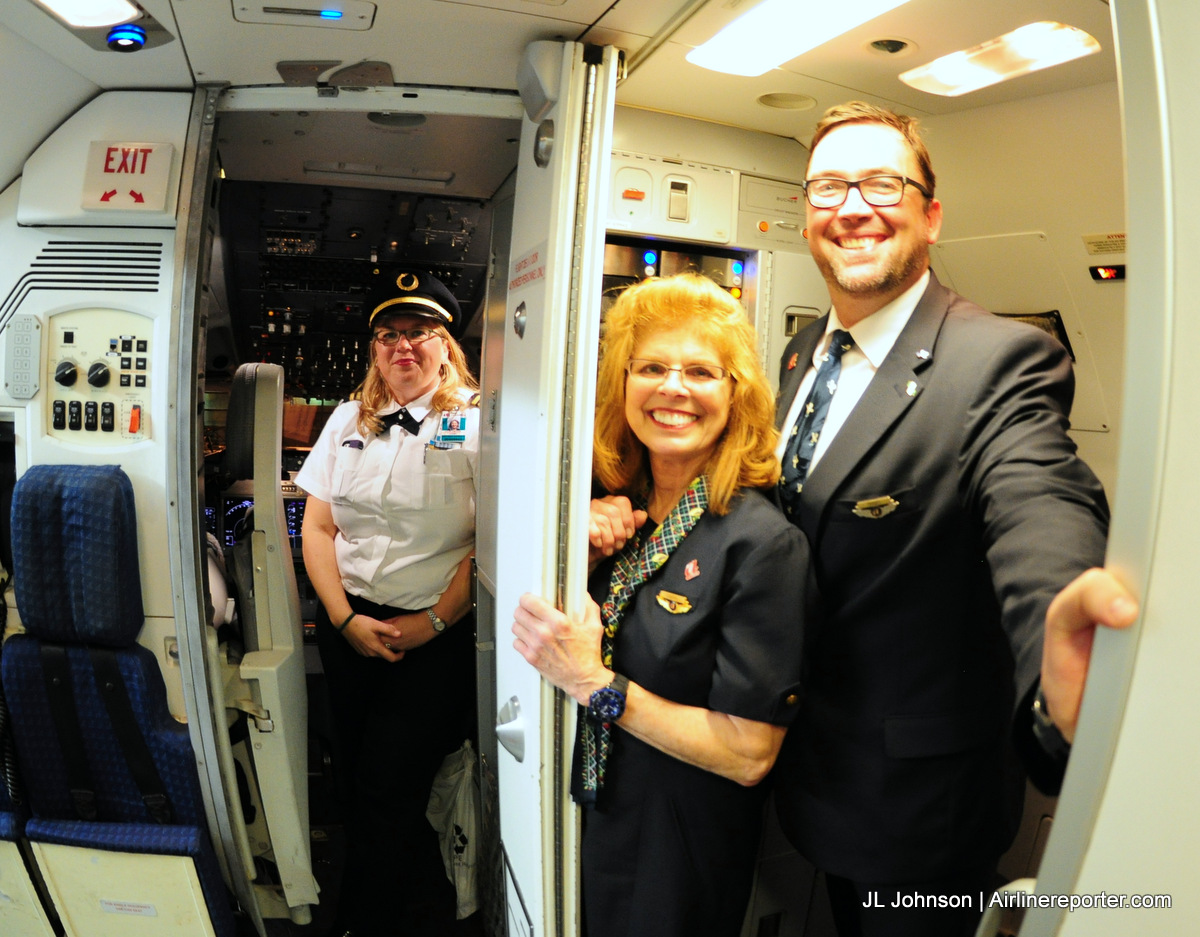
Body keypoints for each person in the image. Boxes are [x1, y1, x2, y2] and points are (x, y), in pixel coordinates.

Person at [765, 100, 1118, 937]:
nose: (853, 206)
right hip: (807, 762)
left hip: (919, 804)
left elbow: (1037, 496)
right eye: (828, 186)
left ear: (931, 213)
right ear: (807, 214)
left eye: (883, 183)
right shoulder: (800, 352)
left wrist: (1060, 634)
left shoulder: (996, 358)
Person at [511, 274, 809, 937]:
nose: (672, 387)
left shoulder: (761, 543)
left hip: (677, 844)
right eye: (651, 367)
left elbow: (748, 752)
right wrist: (578, 559)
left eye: (700, 370)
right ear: (623, 384)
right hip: (592, 809)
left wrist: (592, 682)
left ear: (736, 395)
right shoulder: (619, 511)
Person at [295, 268, 479, 937]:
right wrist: (342, 617)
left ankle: (365, 921)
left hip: (432, 636)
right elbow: (318, 526)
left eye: (420, 333)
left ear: (445, 345)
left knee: (388, 787)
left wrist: (429, 623)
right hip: (348, 629)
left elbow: (485, 544)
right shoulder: (347, 419)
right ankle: (379, 900)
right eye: (389, 335)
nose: (404, 346)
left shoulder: (476, 426)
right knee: (354, 777)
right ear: (374, 350)